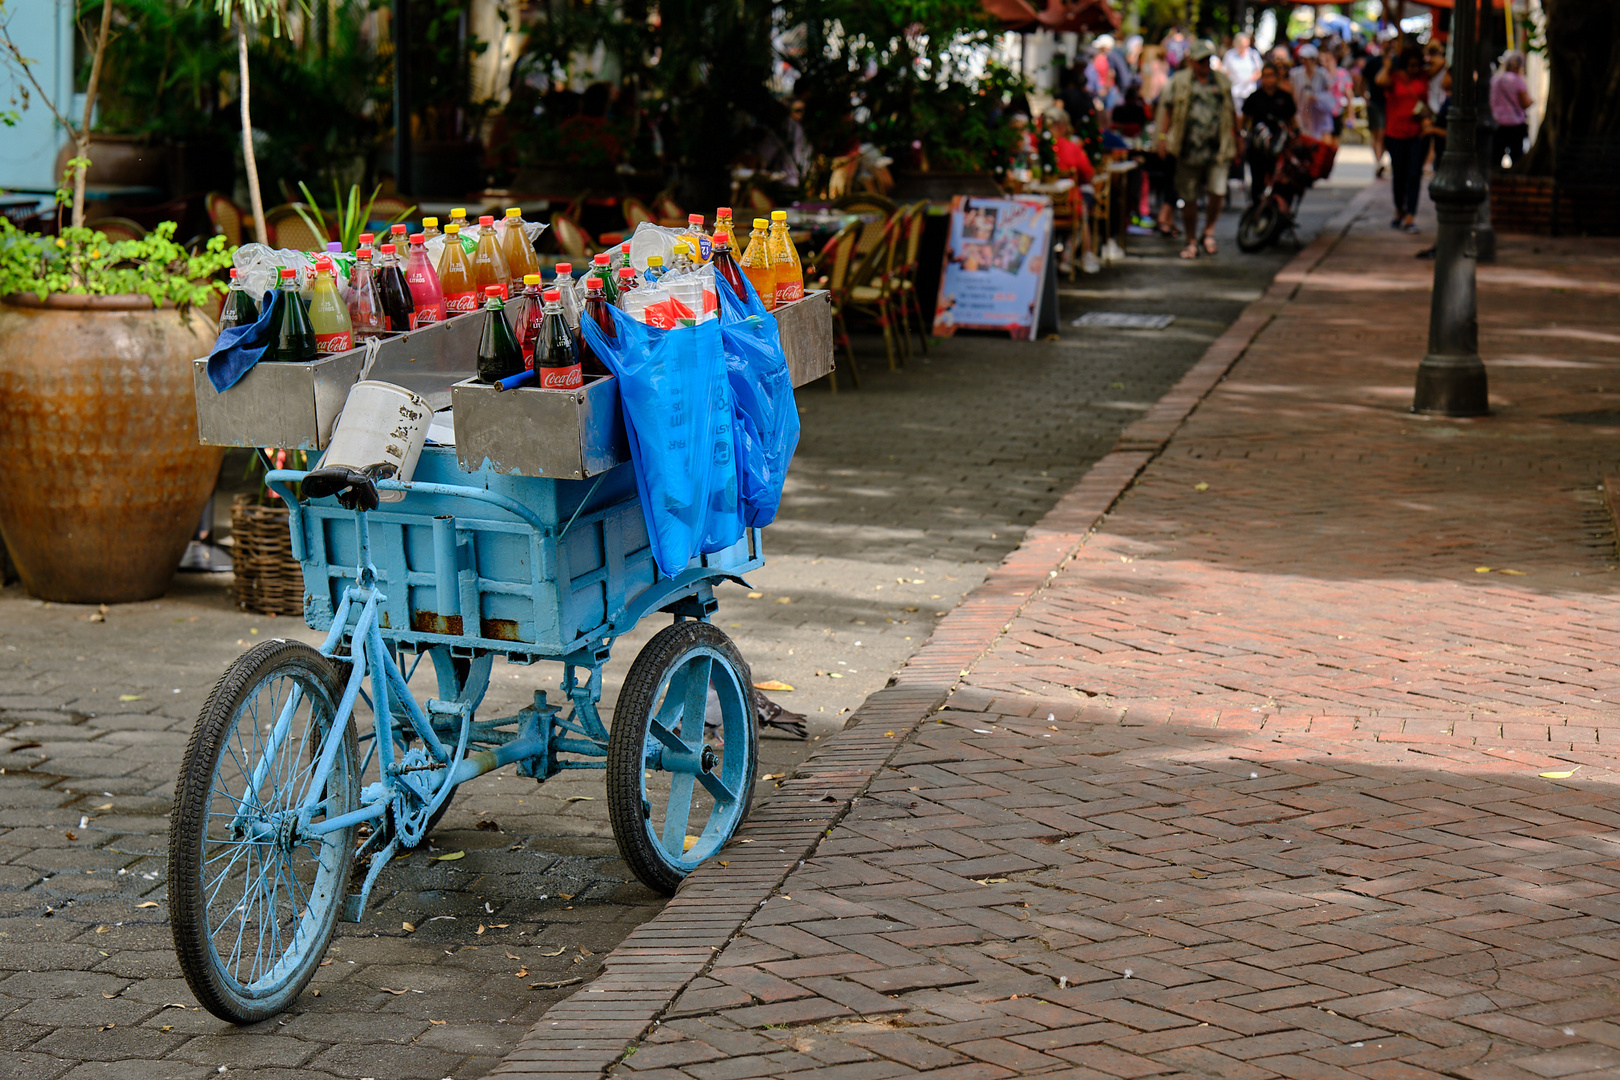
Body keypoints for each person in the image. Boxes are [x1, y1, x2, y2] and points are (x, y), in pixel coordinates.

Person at [1156, 39, 1237, 258]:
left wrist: (1238, 140)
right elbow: (1168, 111)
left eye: (1207, 60)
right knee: (1188, 196)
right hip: (1188, 149)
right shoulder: (1180, 81)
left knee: (1218, 191)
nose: (1204, 64)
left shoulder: (1221, 82)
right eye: (1200, 60)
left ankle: (1208, 231)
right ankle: (1191, 239)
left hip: (1217, 148)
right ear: (1192, 61)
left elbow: (1231, 112)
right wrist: (1162, 139)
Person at [1378, 48, 1430, 233]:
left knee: (1414, 174)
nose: (1414, 69)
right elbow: (1379, 80)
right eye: (1411, 66)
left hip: (1417, 133)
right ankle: (1399, 208)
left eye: (1417, 65)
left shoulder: (1423, 76)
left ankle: (1410, 215)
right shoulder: (1394, 77)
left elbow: (1441, 67)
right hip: (1395, 134)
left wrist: (1433, 50)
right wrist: (1388, 65)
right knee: (1399, 175)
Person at [1044, 108, 1100, 275]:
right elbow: (1088, 174)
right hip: (1067, 204)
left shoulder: (1039, 147)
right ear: (1062, 126)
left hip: (1043, 203)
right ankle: (1071, 257)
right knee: (1082, 215)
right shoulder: (1071, 148)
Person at [1242, 63, 1298, 201]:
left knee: (1280, 181)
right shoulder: (1254, 98)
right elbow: (1245, 120)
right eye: (1265, 76)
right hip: (1258, 148)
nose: (1268, 80)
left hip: (1279, 147)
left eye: (1271, 76)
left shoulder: (1284, 97)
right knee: (1258, 181)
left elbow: (1293, 121)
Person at [1490, 51, 1533, 169]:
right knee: (1517, 157)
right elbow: (1525, 102)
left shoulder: (1495, 80)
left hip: (1497, 122)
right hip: (1515, 124)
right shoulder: (1518, 81)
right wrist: (1532, 101)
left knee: (1496, 157)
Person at [1359, 35, 1390, 177]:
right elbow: (1362, 79)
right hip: (1376, 102)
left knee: (1382, 134)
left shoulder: (1393, 61)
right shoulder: (1373, 62)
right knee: (1378, 133)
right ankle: (1378, 162)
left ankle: (1380, 161)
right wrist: (1364, 96)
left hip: (1388, 103)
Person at [1289, 44, 1335, 140]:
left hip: (1319, 114)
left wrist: (1318, 98)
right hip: (1302, 111)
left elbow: (1328, 91)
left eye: (1307, 59)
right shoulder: (1295, 74)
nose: (1304, 62)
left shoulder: (1322, 74)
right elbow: (1293, 92)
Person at [1223, 33, 1263, 108]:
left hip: (1250, 90)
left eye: (1246, 46)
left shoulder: (1253, 54)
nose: (1244, 49)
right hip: (1235, 91)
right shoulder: (1229, 55)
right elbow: (1224, 71)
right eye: (1242, 46)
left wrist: (1251, 79)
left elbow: (1259, 71)